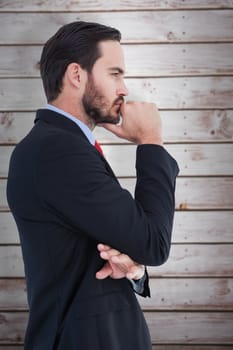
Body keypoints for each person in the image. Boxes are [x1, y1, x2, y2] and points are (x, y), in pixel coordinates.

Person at [6, 21, 179, 350]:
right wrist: (151, 141)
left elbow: (115, 247)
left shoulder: (62, 146)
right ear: (76, 75)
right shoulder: (57, 151)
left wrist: (134, 267)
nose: (124, 89)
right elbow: (153, 242)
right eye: (115, 74)